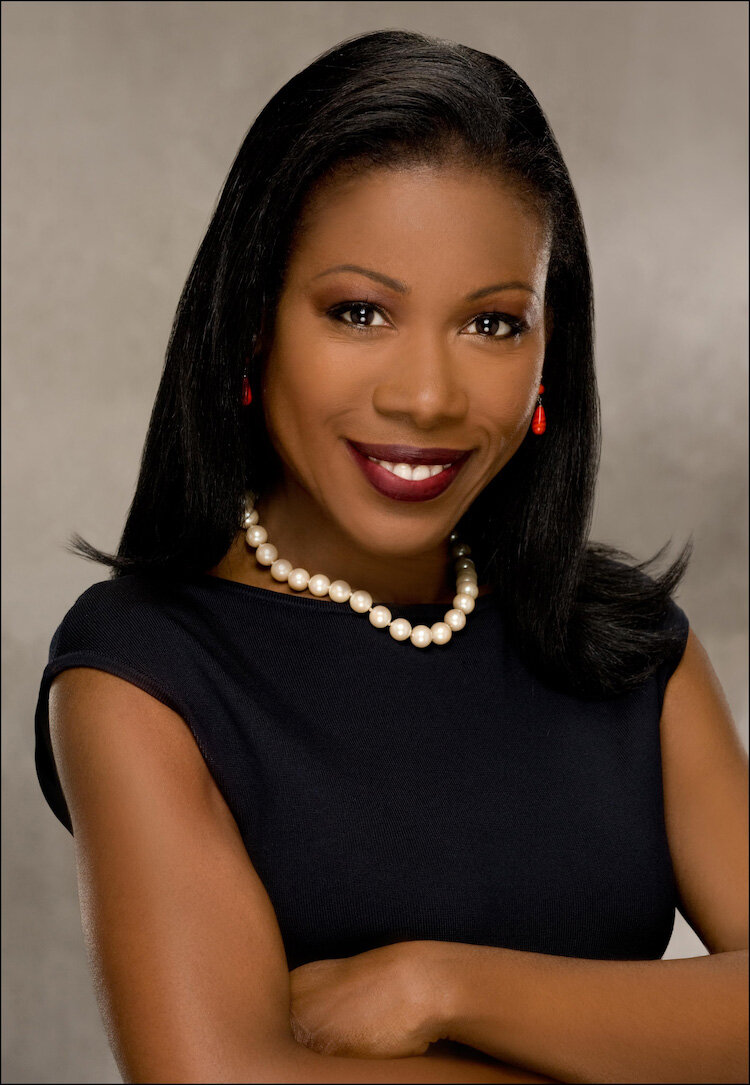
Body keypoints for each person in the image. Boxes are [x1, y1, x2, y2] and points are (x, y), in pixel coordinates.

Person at [35, 29, 747, 1085]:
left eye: (492, 324)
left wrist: (441, 985)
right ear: (253, 326)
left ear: (550, 355)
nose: (426, 396)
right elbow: (218, 1077)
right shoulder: (143, 672)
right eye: (359, 311)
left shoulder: (631, 649)